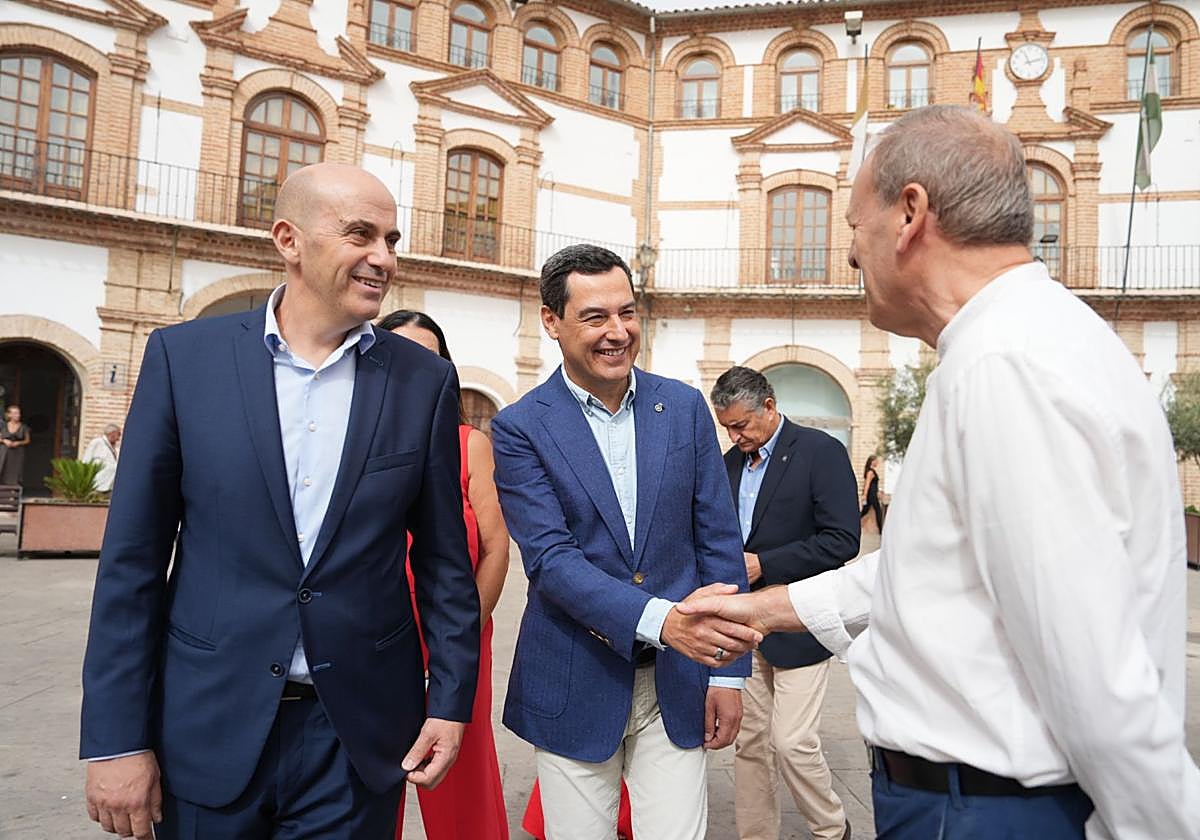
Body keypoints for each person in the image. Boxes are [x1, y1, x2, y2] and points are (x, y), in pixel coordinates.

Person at [678, 105, 1200, 840]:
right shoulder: (1013, 346)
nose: (851, 259)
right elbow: (933, 569)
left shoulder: (1006, 368)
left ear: (911, 214)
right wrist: (766, 609)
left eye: (855, 229)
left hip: (983, 811)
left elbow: (1093, 673)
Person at [80, 163, 481, 840]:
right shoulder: (185, 361)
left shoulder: (424, 381)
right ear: (288, 240)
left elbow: (445, 563)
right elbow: (131, 564)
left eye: (391, 238)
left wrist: (450, 702)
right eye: (360, 234)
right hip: (208, 727)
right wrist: (115, 739)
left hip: (356, 740)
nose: (382, 257)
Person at [490, 243, 761, 840]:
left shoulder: (685, 407)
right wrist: (665, 620)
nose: (617, 332)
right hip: (574, 675)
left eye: (627, 312)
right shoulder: (520, 428)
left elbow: (718, 543)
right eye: (595, 317)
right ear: (552, 322)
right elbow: (552, 562)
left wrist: (727, 673)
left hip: (680, 682)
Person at [711, 366, 858, 840]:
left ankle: (832, 830)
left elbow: (842, 540)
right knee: (750, 744)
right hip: (741, 623)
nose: (735, 437)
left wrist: (764, 564)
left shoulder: (821, 452)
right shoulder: (729, 463)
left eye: (741, 426)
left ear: (769, 407)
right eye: (728, 427)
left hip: (800, 620)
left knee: (792, 742)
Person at [379, 309, 509, 840]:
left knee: (460, 771)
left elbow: (497, 545)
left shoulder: (469, 443)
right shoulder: (350, 440)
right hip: (374, 639)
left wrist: (460, 636)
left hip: (456, 629)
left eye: (427, 358)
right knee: (366, 770)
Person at [81, 424, 122, 493]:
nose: (118, 439)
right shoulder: (97, 442)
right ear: (112, 433)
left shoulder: (114, 448)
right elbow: (86, 460)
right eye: (118, 435)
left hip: (110, 484)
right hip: (99, 484)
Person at [0, 404, 31, 485]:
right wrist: (4, 441)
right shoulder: (3, 426)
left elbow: (27, 440)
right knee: (2, 468)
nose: (18, 415)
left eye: (18, 413)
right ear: (9, 415)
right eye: (15, 413)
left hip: (17, 451)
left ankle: (13, 494)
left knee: (15, 471)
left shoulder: (24, 427)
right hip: (4, 451)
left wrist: (18, 443)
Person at [858, 454, 882, 534]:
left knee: (865, 511)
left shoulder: (872, 471)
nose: (877, 462)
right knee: (878, 510)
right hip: (871, 495)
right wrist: (864, 495)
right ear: (872, 462)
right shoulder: (870, 472)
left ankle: (854, 521)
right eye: (876, 461)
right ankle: (881, 530)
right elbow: (867, 484)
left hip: (873, 494)